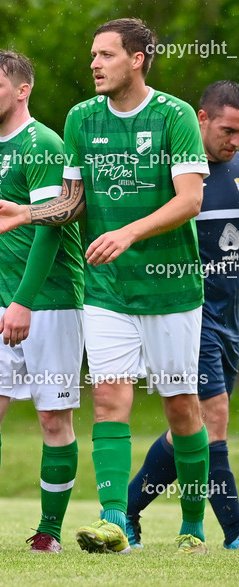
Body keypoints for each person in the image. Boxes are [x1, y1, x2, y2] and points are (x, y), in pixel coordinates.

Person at [0, 18, 211, 555]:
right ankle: (115, 521)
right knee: (108, 400)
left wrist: (127, 232)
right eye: (92, 56)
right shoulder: (82, 118)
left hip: (170, 288)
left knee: (180, 406)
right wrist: (26, 212)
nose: (94, 65)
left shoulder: (173, 115)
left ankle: (193, 526)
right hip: (106, 290)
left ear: (138, 59)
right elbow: (74, 202)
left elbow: (190, 200)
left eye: (106, 55)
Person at [0, 51, 84, 554]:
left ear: (22, 90)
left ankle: (48, 532)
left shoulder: (44, 143)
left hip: (49, 303)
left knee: (54, 417)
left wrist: (24, 302)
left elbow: (53, 224)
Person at [126, 80, 239, 550]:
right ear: (201, 119)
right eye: (228, 130)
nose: (234, 141)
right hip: (191, 315)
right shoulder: (176, 175)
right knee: (213, 419)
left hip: (231, 319)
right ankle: (234, 531)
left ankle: (126, 512)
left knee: (186, 430)